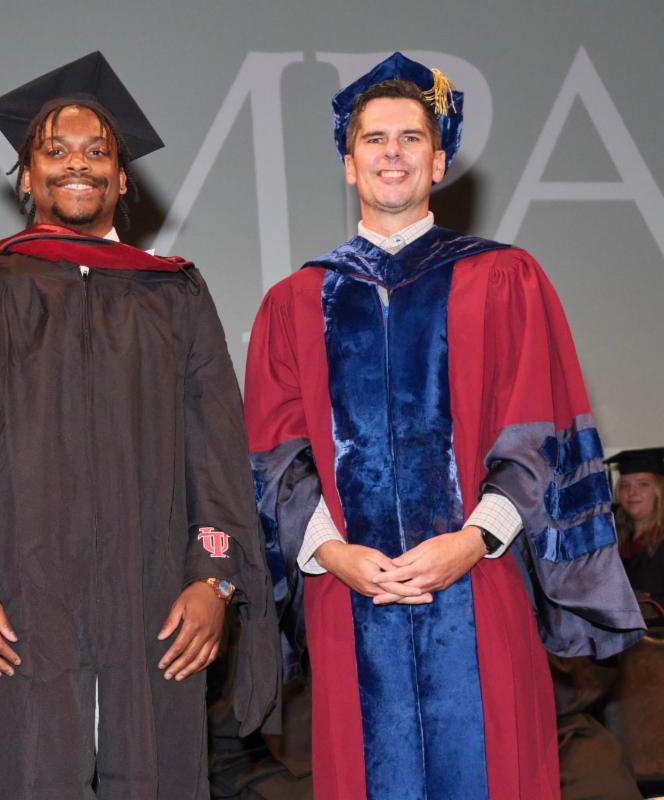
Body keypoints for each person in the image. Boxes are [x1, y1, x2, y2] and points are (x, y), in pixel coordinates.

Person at [244, 52, 645, 799]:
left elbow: (542, 430)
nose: (391, 153)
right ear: (347, 163)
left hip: (480, 580)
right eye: (373, 139)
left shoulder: (505, 278)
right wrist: (332, 552)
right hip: (347, 593)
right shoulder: (295, 301)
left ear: (438, 163)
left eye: (409, 139)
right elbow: (274, 454)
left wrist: (473, 540)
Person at [0, 51, 279, 799]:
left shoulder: (173, 298)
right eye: (57, 152)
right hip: (11, 616)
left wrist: (213, 580)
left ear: (124, 177)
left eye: (98, 153)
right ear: (27, 177)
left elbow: (215, 455)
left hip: (152, 615)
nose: (79, 166)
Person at [608, 447, 664, 606]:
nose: (632, 492)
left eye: (643, 484)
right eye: (625, 485)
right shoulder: (611, 539)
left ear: (659, 490)